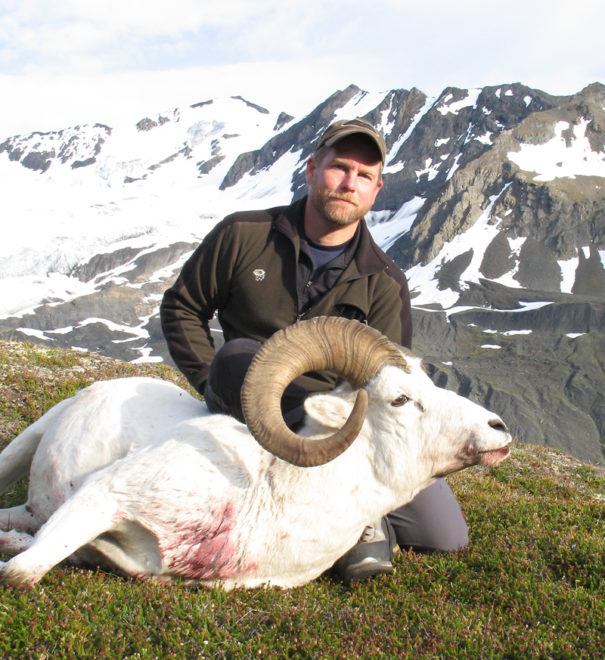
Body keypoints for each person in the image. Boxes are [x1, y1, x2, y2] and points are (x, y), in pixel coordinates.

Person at [160, 118, 469, 583]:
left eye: (364, 176)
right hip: (249, 391)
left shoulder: (383, 283)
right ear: (310, 170)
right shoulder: (244, 235)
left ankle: (363, 502)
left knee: (443, 533)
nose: (350, 183)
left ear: (377, 188)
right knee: (238, 355)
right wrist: (209, 383)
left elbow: (391, 383)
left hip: (341, 422)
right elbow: (183, 306)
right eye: (339, 168)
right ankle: (360, 523)